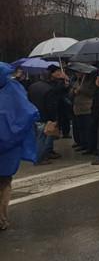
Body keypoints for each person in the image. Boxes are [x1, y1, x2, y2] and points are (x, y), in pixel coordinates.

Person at [0, 62, 39, 231]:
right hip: (8, 147)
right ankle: (1, 218)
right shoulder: (13, 89)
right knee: (4, 182)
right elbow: (28, 113)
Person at [27, 64, 69, 165]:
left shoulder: (33, 86)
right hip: (44, 117)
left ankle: (40, 155)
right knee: (43, 138)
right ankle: (39, 158)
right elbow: (51, 106)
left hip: (34, 115)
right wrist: (53, 119)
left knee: (38, 137)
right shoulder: (49, 89)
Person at [71, 70, 97, 153]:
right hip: (77, 108)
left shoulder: (89, 82)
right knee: (80, 128)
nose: (78, 74)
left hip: (87, 108)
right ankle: (83, 144)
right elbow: (70, 94)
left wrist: (81, 90)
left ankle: (90, 146)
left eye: (79, 72)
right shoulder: (76, 82)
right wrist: (73, 92)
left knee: (88, 128)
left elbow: (92, 93)